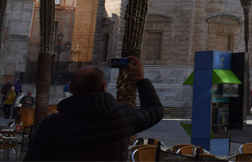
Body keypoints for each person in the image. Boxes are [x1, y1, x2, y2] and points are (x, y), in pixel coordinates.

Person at [24, 56, 163, 161]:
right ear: (104, 87)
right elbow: (155, 110)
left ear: (72, 89)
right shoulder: (123, 118)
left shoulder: (52, 125)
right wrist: (140, 79)